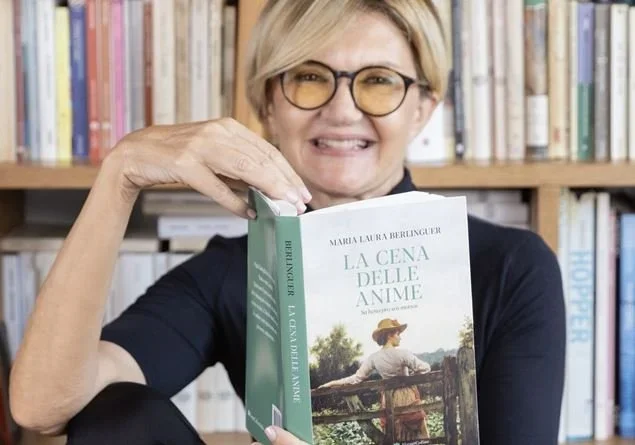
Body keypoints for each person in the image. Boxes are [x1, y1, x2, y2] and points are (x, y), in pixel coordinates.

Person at [8, 1, 566, 445]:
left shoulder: (511, 266)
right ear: (268, 104)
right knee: (117, 412)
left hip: (412, 414)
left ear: (422, 107)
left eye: (378, 80)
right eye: (309, 77)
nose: (342, 110)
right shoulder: (230, 271)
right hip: (380, 408)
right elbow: (43, 407)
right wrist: (121, 173)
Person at [318, 318, 432, 441]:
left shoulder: (374, 358)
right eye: (398, 334)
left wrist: (332, 383)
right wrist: (412, 374)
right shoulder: (403, 354)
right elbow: (426, 368)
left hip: (389, 398)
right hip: (406, 396)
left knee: (395, 432)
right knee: (416, 431)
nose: (400, 337)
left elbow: (356, 378)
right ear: (389, 335)